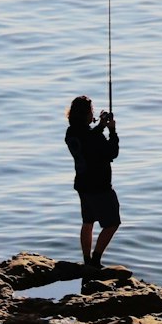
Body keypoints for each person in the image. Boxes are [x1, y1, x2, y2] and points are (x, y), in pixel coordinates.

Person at [64, 95, 121, 266]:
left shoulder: (71, 132)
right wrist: (112, 130)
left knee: (88, 222)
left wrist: (101, 126)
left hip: (83, 184)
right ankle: (96, 260)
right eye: (91, 111)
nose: (93, 114)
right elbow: (112, 153)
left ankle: (86, 260)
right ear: (86, 114)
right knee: (112, 223)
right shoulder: (93, 137)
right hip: (100, 186)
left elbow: (87, 139)